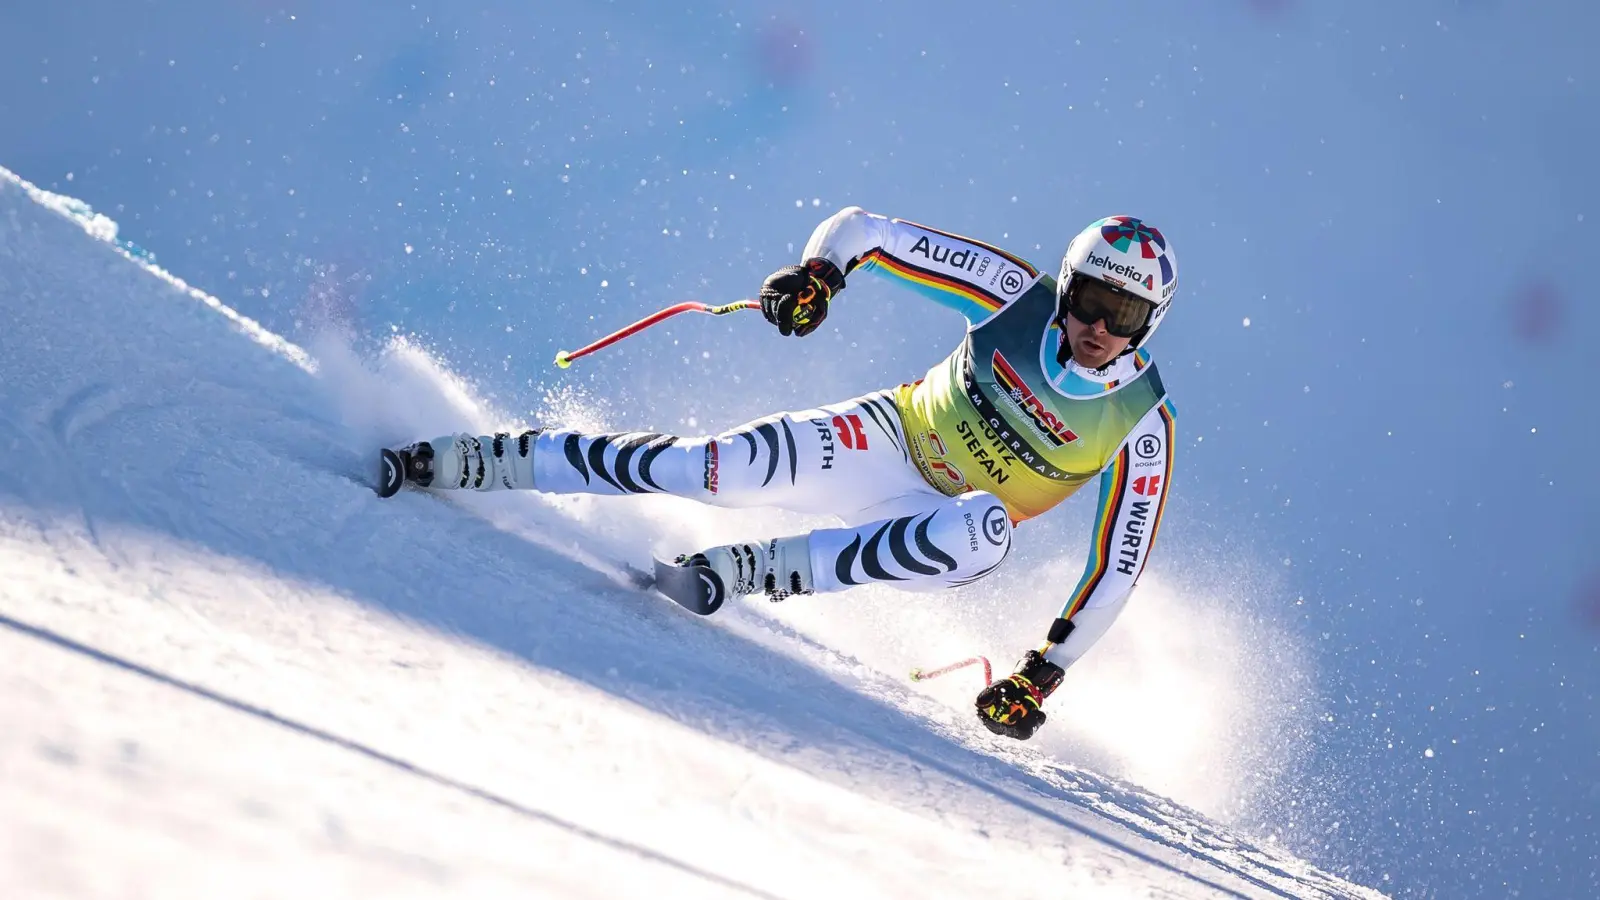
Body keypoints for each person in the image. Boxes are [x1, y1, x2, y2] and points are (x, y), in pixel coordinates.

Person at [382, 207, 1178, 741]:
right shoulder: (1017, 294)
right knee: (705, 469)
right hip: (888, 435)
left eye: (1126, 316)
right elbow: (865, 229)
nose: (1100, 328)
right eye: (1092, 301)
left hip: (938, 529)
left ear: (1149, 326)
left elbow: (1120, 567)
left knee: (985, 527)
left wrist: (1042, 676)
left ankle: (752, 572)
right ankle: (482, 458)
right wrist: (818, 277)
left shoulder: (1140, 422)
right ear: (1067, 286)